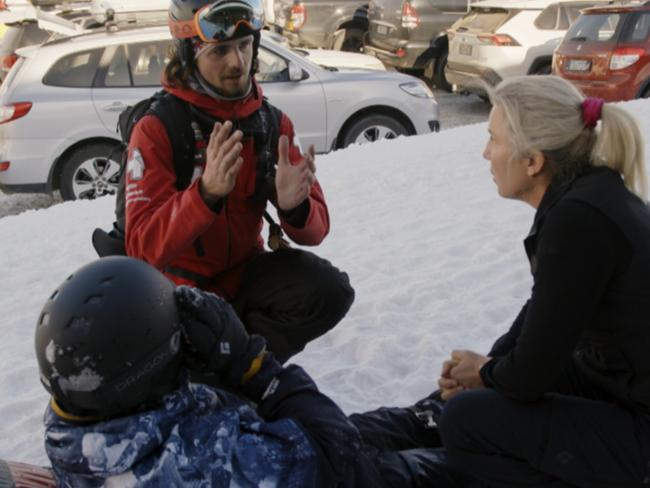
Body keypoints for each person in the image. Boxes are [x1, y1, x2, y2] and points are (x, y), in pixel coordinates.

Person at [36, 257, 471, 487]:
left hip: (273, 455)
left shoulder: (78, 423)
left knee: (376, 428)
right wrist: (251, 364)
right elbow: (339, 456)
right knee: (454, 467)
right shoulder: (204, 465)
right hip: (332, 474)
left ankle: (442, 415)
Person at [434, 75, 650, 487]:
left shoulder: (579, 219)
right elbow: (545, 311)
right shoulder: (590, 196)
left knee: (465, 422)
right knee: (483, 400)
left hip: (640, 424)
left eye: (493, 139)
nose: (485, 153)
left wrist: (487, 375)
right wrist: (486, 369)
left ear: (532, 161)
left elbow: (529, 374)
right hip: (621, 383)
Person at [124, 0, 354, 363]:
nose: (237, 63)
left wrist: (296, 207)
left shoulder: (272, 123)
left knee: (329, 289)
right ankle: (216, 370)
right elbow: (140, 249)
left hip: (244, 276)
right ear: (189, 54)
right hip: (180, 294)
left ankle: (245, 369)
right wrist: (204, 195)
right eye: (220, 51)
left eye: (245, 46)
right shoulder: (158, 129)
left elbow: (316, 231)